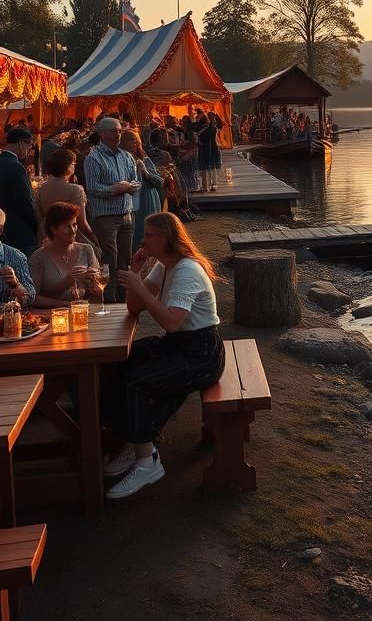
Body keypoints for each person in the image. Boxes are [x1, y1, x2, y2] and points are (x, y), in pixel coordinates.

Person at [102, 212, 225, 500]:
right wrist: (137, 273)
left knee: (136, 381)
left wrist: (140, 287)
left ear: (167, 238)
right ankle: (134, 439)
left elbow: (171, 321)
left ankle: (148, 463)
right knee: (123, 361)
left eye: (149, 235)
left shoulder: (186, 270)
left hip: (201, 353)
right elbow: (134, 308)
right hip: (179, 344)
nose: (143, 240)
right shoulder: (164, 266)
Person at [83, 117, 139, 302]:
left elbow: (136, 181)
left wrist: (130, 186)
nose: (118, 135)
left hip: (126, 214)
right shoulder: (93, 158)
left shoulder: (126, 156)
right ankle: (109, 300)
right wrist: (116, 189)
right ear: (102, 134)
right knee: (110, 260)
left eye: (120, 131)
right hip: (106, 216)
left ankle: (124, 300)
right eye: (114, 131)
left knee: (125, 260)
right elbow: (93, 188)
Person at [28, 202, 101, 308]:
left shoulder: (87, 250)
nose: (73, 230)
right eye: (67, 226)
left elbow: (98, 291)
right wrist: (66, 283)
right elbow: (32, 298)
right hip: (52, 314)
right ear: (53, 229)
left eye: (74, 225)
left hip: (84, 312)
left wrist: (93, 282)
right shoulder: (38, 258)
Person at [0, 128, 38, 255]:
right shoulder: (17, 168)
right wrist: (36, 225)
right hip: (18, 232)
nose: (29, 150)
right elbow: (25, 203)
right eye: (30, 146)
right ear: (21, 143)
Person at [36, 148, 98, 246]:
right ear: (69, 166)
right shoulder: (76, 190)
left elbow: (39, 215)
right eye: (74, 164)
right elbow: (82, 223)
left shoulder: (42, 188)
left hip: (48, 237)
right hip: (70, 237)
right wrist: (93, 237)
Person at [119, 130, 164, 247]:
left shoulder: (144, 160)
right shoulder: (118, 161)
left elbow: (159, 181)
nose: (135, 144)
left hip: (148, 200)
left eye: (136, 141)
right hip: (131, 201)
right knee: (134, 234)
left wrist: (146, 173)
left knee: (149, 231)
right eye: (131, 141)